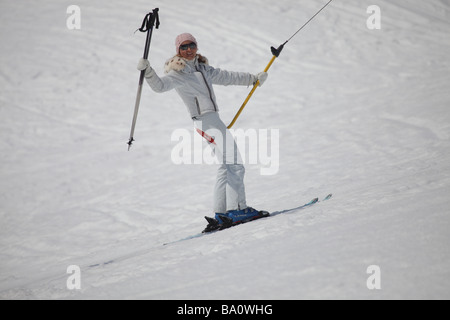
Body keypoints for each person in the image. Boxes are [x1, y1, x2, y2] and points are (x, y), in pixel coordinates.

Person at [137, 33, 269, 231]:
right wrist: (148, 70)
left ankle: (221, 213)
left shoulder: (202, 68)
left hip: (210, 120)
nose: (189, 50)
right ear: (178, 51)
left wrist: (253, 79)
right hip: (205, 121)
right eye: (184, 47)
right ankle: (238, 209)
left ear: (196, 47)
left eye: (192, 45)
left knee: (226, 166)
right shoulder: (178, 74)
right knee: (235, 164)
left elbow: (227, 76)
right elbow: (160, 86)